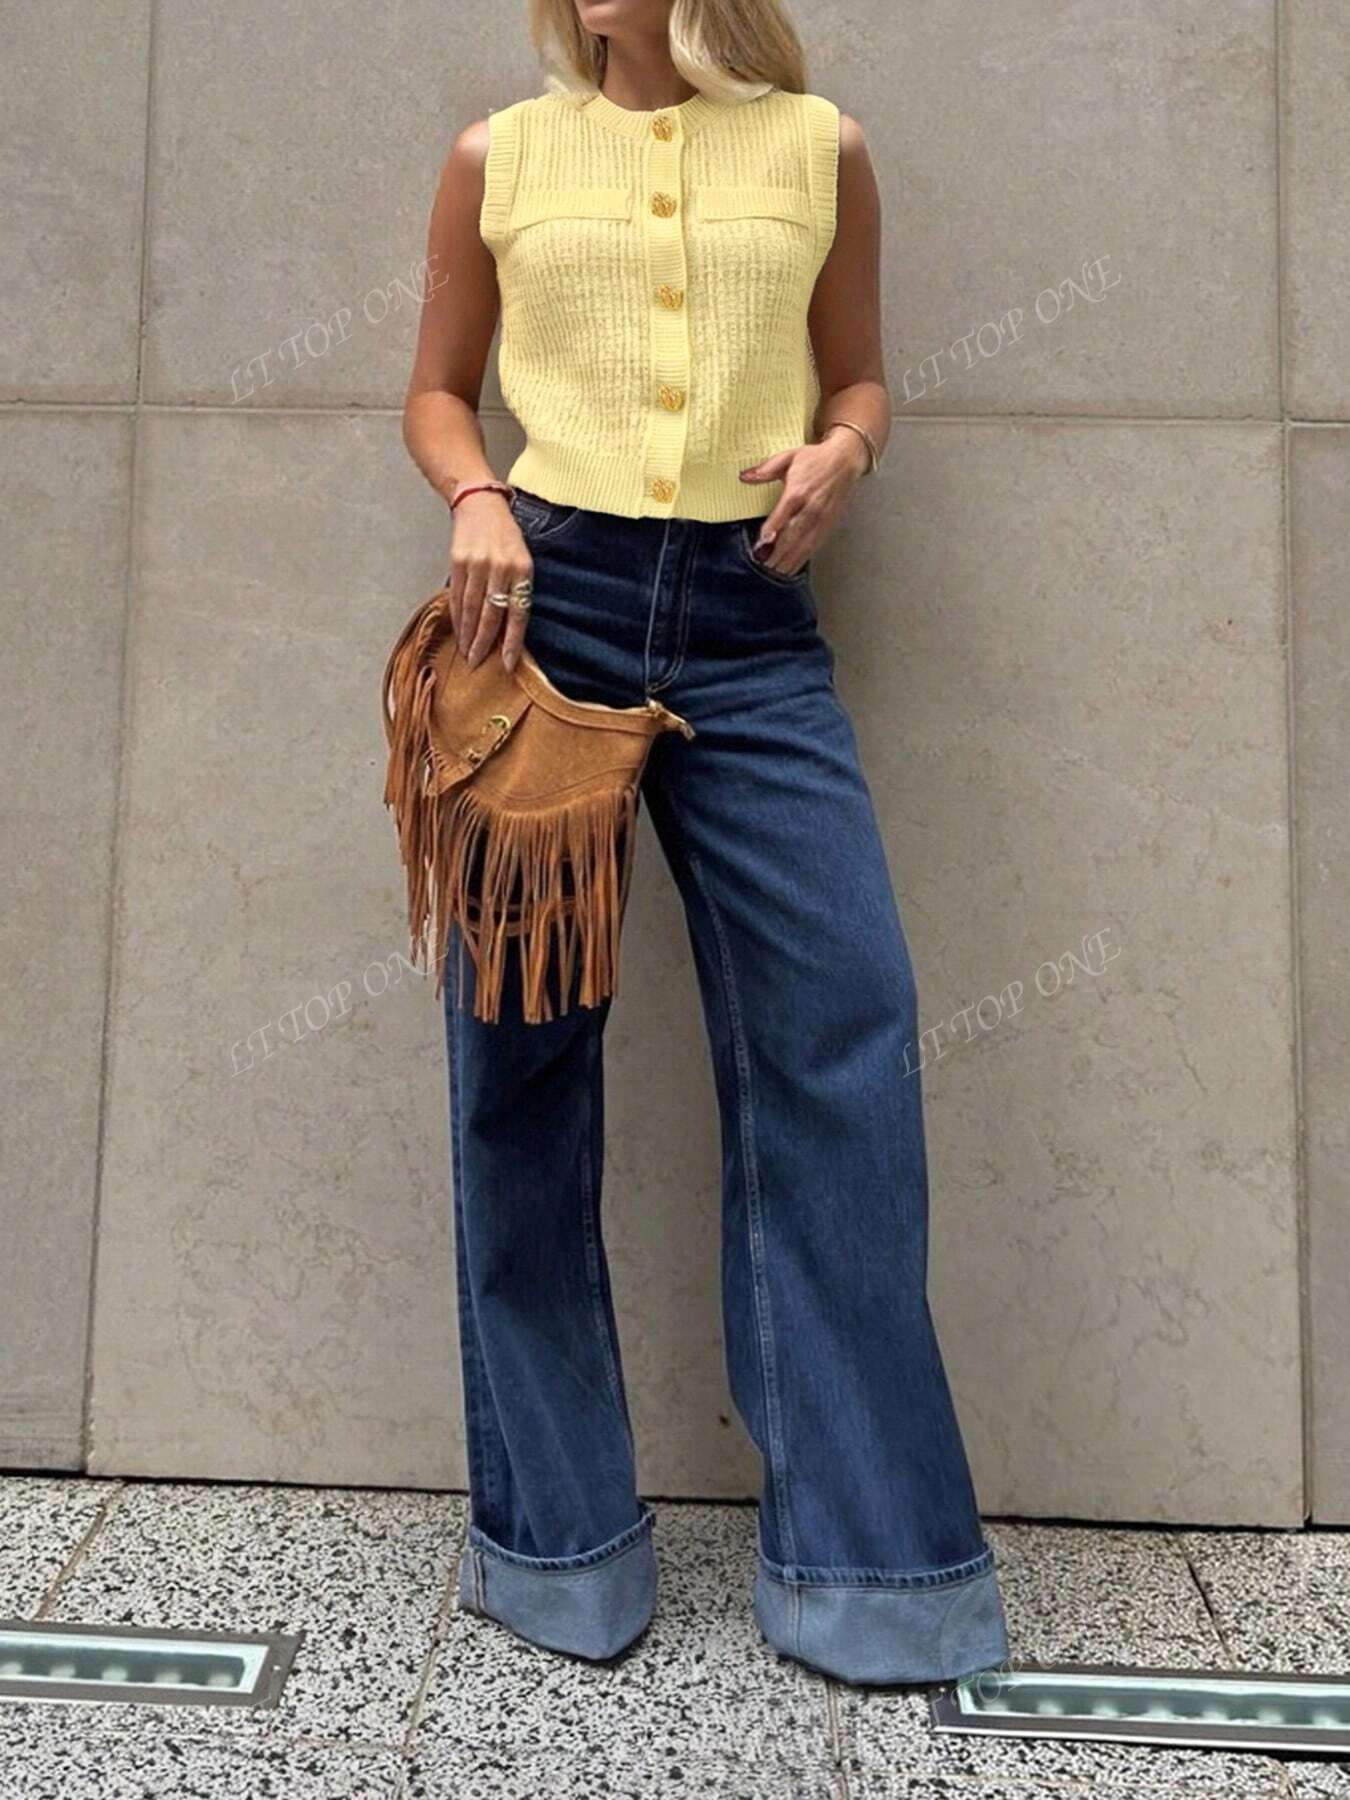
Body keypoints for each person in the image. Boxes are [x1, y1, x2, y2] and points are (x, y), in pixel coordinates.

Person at [400, 0, 1011, 1687]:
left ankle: (872, 1571)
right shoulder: (499, 156)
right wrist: (474, 497)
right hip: (545, 621)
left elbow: (859, 370)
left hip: (752, 629)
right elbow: (436, 393)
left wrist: (846, 448)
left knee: (842, 1035)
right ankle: (555, 1546)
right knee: (518, 1066)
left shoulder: (820, 148)